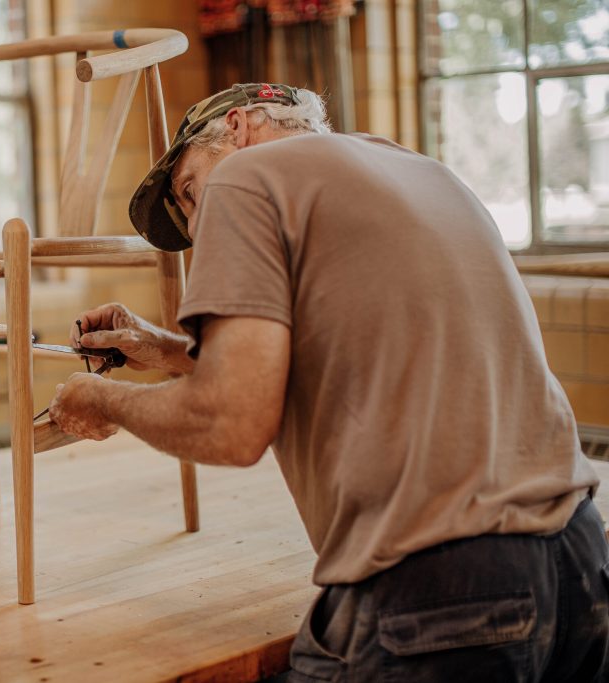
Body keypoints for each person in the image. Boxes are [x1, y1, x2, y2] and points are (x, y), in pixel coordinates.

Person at [49, 83, 608, 680]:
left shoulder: (244, 179)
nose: (197, 218)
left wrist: (103, 400)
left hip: (446, 581)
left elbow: (231, 423)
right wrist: (160, 349)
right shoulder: (419, 171)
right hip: (580, 560)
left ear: (237, 127)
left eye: (188, 191)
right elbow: (332, 351)